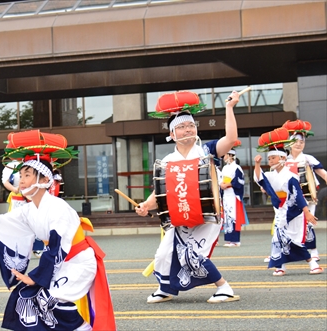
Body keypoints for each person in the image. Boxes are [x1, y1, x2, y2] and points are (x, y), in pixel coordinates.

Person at [0, 131, 115, 331]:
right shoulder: (28, 210)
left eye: (27, 175)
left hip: (78, 262)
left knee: (48, 299)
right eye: (20, 175)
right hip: (61, 264)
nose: (21, 180)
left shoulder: (58, 208)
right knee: (25, 296)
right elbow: (5, 224)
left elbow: (57, 247)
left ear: (44, 180)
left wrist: (35, 276)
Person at [135, 90, 241, 304]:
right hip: (180, 214)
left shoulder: (207, 151)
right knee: (164, 254)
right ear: (172, 134)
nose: (187, 130)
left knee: (192, 254)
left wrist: (229, 108)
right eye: (181, 127)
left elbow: (231, 139)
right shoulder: (168, 160)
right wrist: (146, 204)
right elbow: (161, 191)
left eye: (191, 125)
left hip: (207, 214)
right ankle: (165, 289)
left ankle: (224, 288)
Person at [253, 127, 323, 276]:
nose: (270, 161)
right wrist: (257, 165)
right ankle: (281, 266)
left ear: (282, 159)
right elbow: (260, 179)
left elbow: (298, 196)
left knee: (294, 240)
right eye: (269, 158)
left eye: (273, 158)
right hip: (281, 209)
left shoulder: (291, 176)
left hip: (294, 211)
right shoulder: (272, 175)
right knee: (279, 238)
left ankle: (313, 263)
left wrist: (307, 213)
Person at [285, 121, 327, 262]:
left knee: (308, 223)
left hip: (308, 196)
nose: (298, 144)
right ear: (289, 142)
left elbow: (324, 174)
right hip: (289, 198)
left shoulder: (308, 159)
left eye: (301, 141)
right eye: (296, 141)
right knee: (285, 224)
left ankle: (313, 251)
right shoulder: (283, 160)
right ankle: (281, 251)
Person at [2, 160, 44, 257]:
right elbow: (5, 181)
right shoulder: (10, 166)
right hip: (18, 198)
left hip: (32, 196)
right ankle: (17, 247)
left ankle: (37, 247)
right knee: (18, 222)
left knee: (35, 221)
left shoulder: (32, 162)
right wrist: (15, 189)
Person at [219, 142, 248, 247]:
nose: (224, 157)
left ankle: (235, 240)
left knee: (233, 216)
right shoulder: (225, 168)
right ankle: (229, 239)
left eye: (225, 155)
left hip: (233, 194)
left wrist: (228, 184)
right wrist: (221, 184)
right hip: (226, 194)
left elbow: (240, 181)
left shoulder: (237, 168)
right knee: (227, 217)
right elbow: (221, 179)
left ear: (231, 155)